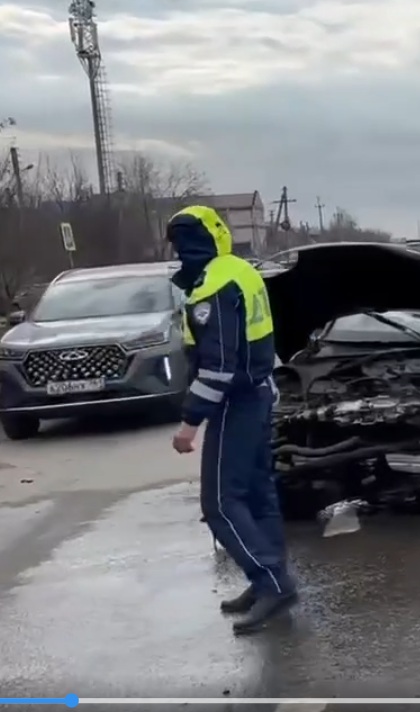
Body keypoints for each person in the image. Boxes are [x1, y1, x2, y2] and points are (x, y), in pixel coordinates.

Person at [167, 205, 297, 635]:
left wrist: (189, 425)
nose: (177, 252)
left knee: (220, 503)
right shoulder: (240, 269)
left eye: (179, 243)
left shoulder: (214, 285)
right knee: (258, 496)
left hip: (235, 402)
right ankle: (270, 578)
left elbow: (219, 367)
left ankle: (271, 582)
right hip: (256, 393)